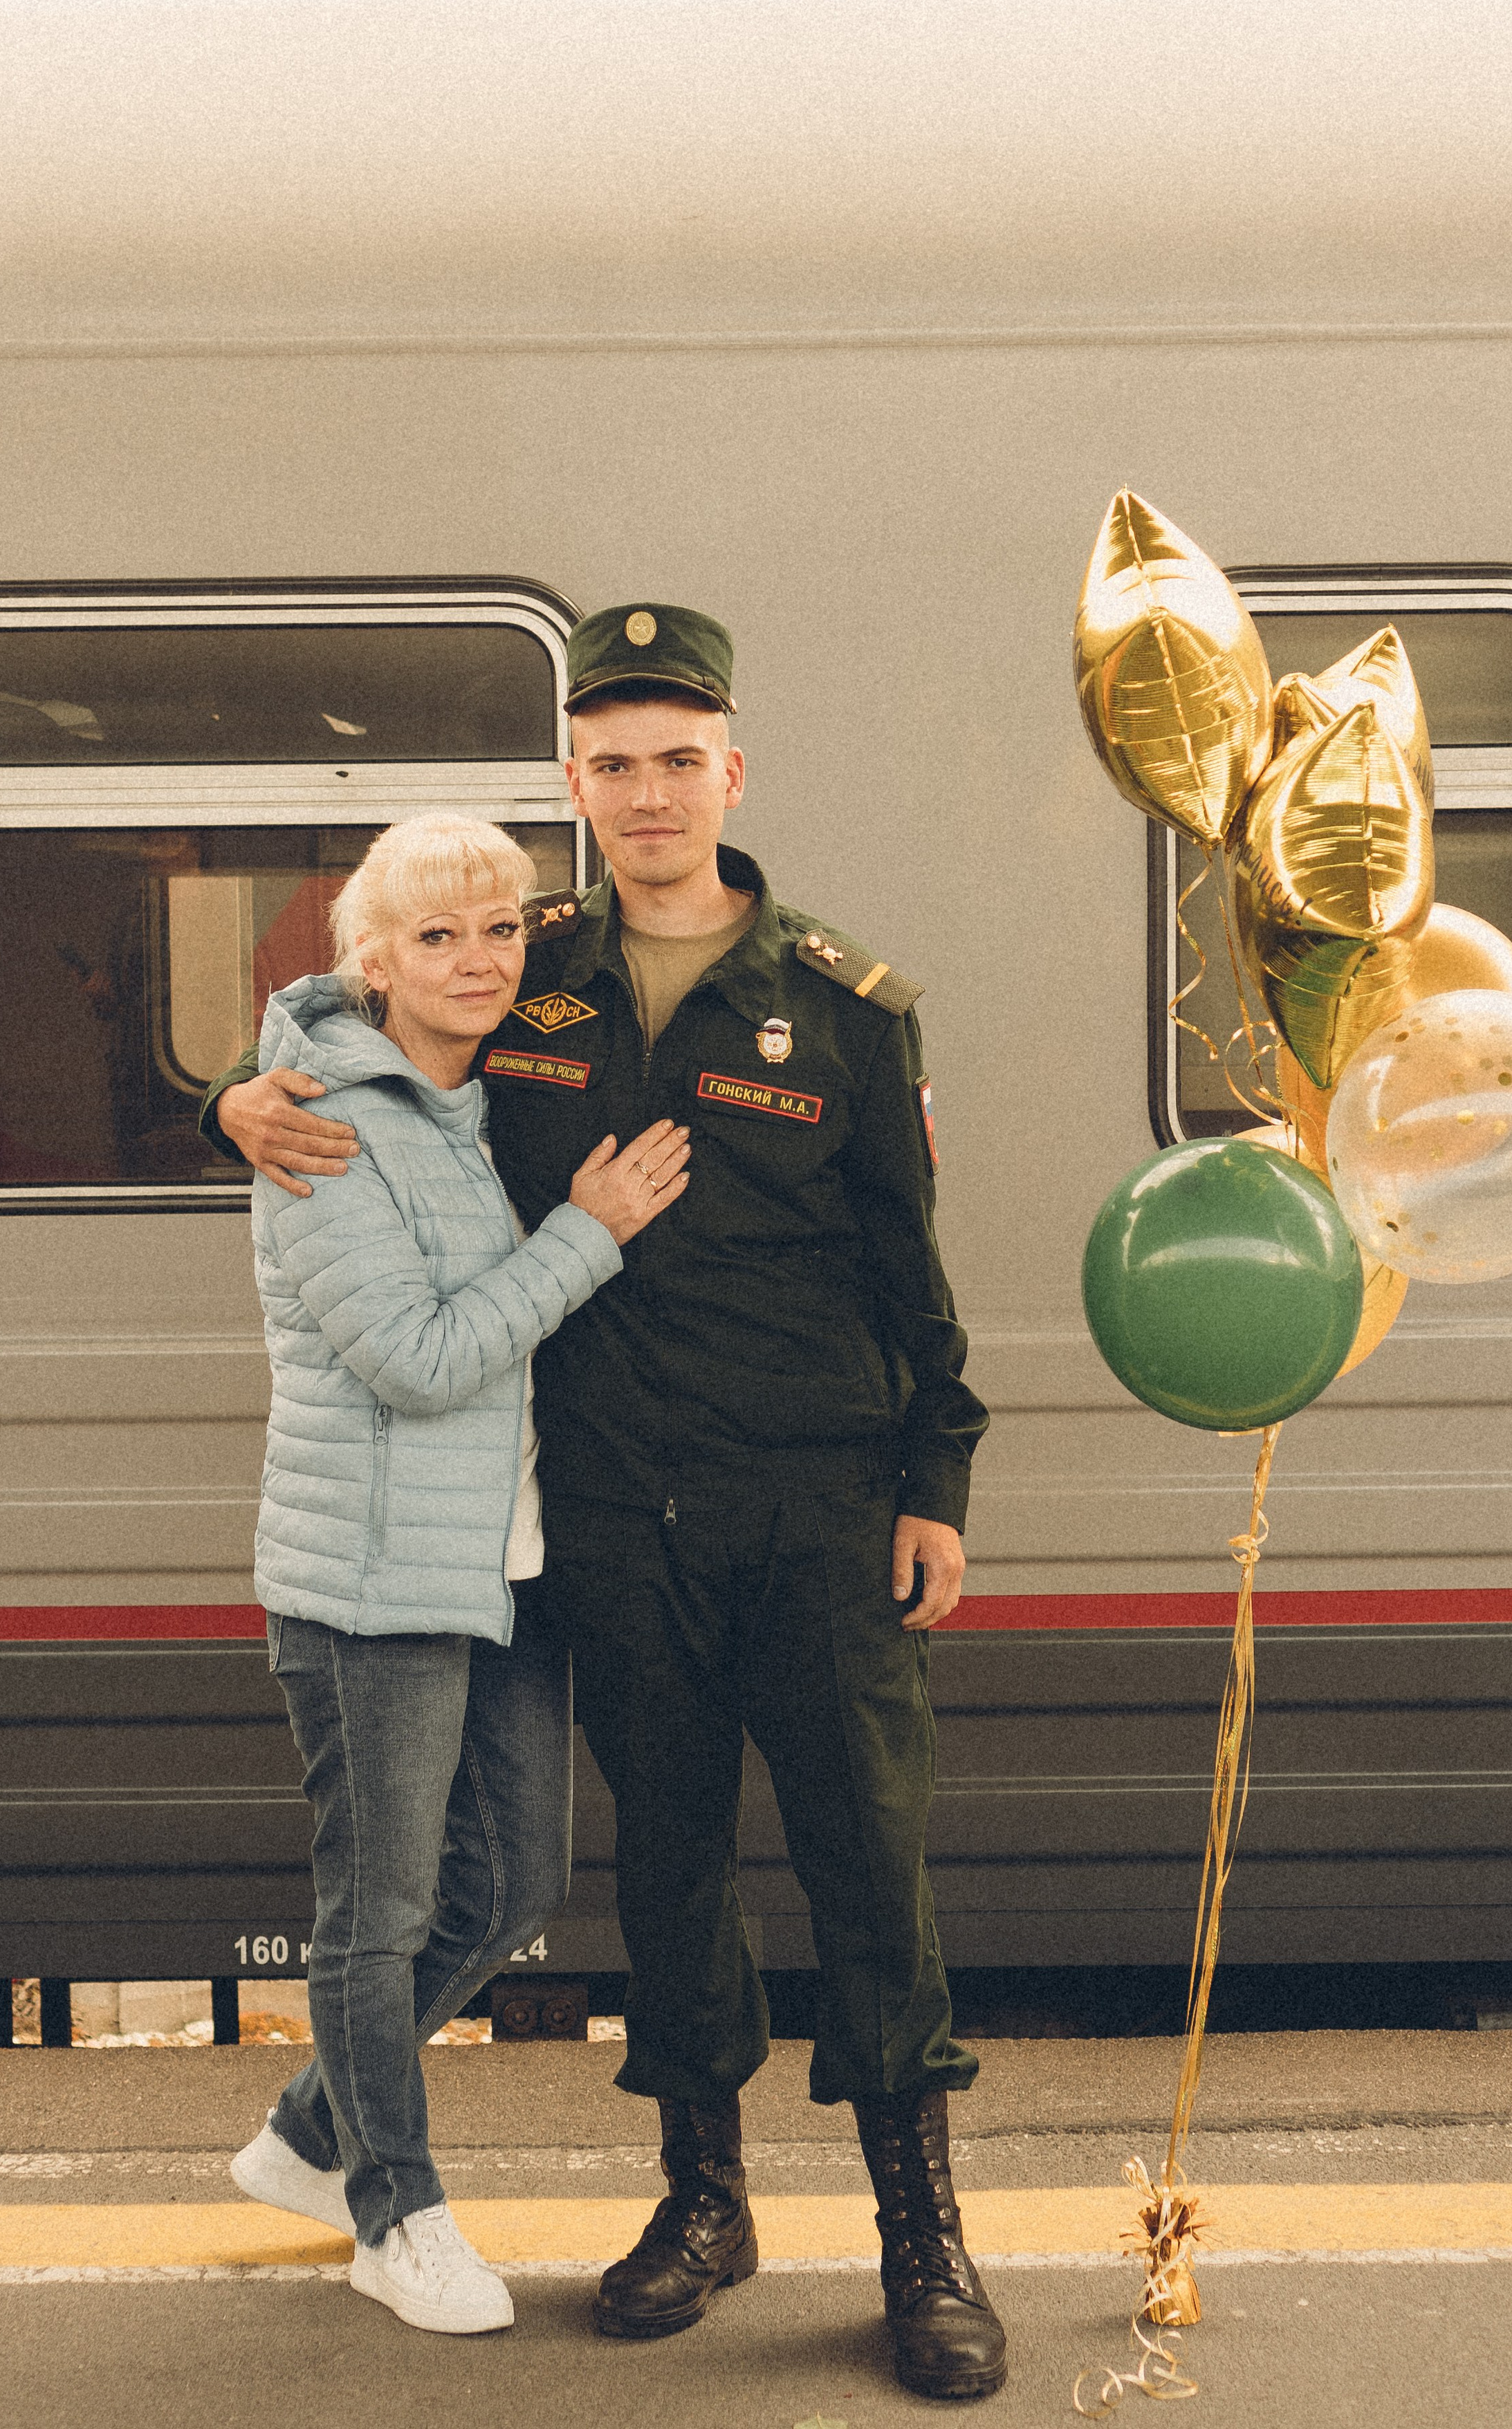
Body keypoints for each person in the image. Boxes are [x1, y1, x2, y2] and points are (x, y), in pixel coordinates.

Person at [205, 611, 1005, 2403]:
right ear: (576, 785)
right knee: (667, 1874)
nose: (648, 791)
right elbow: (348, 1022)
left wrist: (934, 1482)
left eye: (679, 754)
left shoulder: (849, 1002)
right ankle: (704, 2205)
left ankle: (922, 2239)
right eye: (613, 760)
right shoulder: (525, 968)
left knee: (871, 1868)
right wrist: (228, 1103)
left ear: (734, 769)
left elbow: (908, 1267)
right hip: (609, 1521)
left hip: (812, 1505)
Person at [225, 809, 690, 2338]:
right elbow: (418, 1362)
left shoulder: (477, 1098)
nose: (478, 958)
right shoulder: (317, 1126)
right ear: (373, 960)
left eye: (499, 928)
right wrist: (588, 1233)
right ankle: (392, 2214)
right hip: (369, 1583)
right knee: (379, 1909)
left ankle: (305, 2136)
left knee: (511, 1883)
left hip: (500, 1564)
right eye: (437, 936)